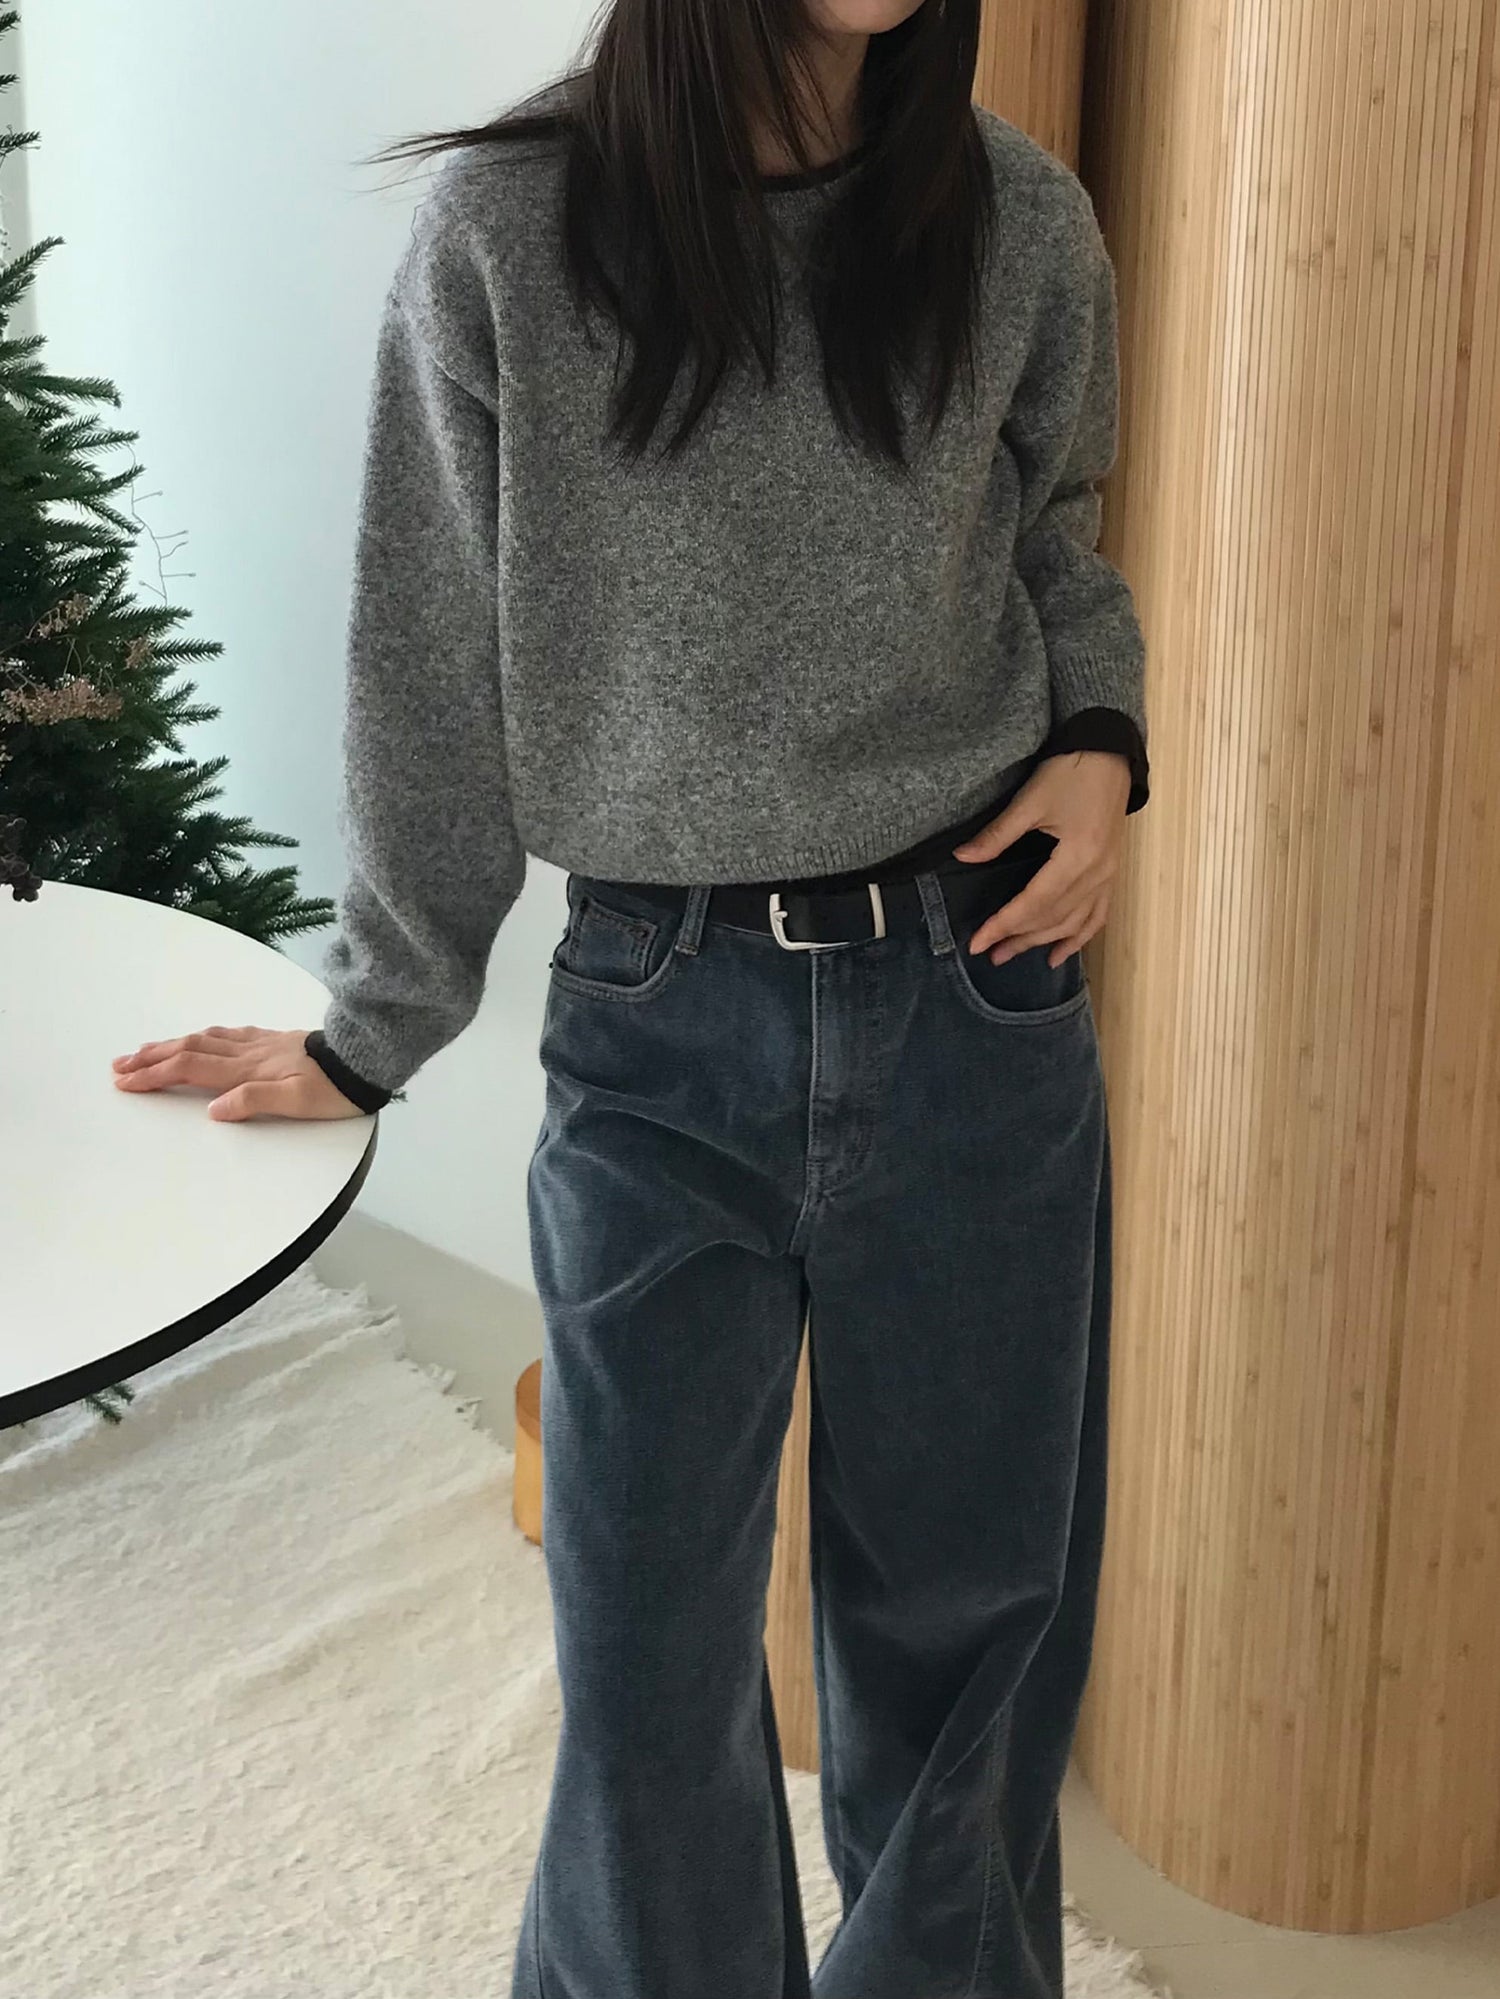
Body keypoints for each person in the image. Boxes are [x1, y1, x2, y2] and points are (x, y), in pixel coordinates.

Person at [113, 3, 1150, 1994]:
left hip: (978, 992)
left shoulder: (1016, 216)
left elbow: (1057, 536)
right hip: (662, 1019)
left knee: (971, 1640)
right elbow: (427, 657)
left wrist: (1099, 739)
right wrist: (375, 1023)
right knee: (646, 1646)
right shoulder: (508, 233)